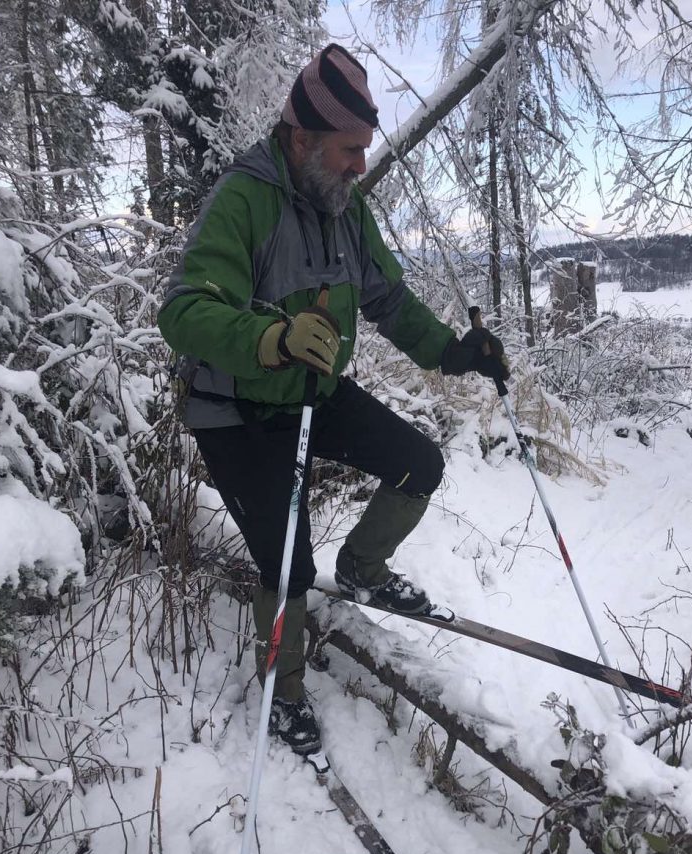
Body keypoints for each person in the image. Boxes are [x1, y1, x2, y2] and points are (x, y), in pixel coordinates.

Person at [158, 43, 508, 755]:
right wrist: (272, 337)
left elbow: (388, 300)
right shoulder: (245, 201)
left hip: (309, 391)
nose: (360, 165)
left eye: (364, 150)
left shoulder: (345, 209)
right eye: (349, 150)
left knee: (419, 462)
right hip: (235, 410)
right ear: (302, 139)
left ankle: (363, 569)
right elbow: (183, 311)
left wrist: (454, 353)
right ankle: (281, 690)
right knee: (288, 562)